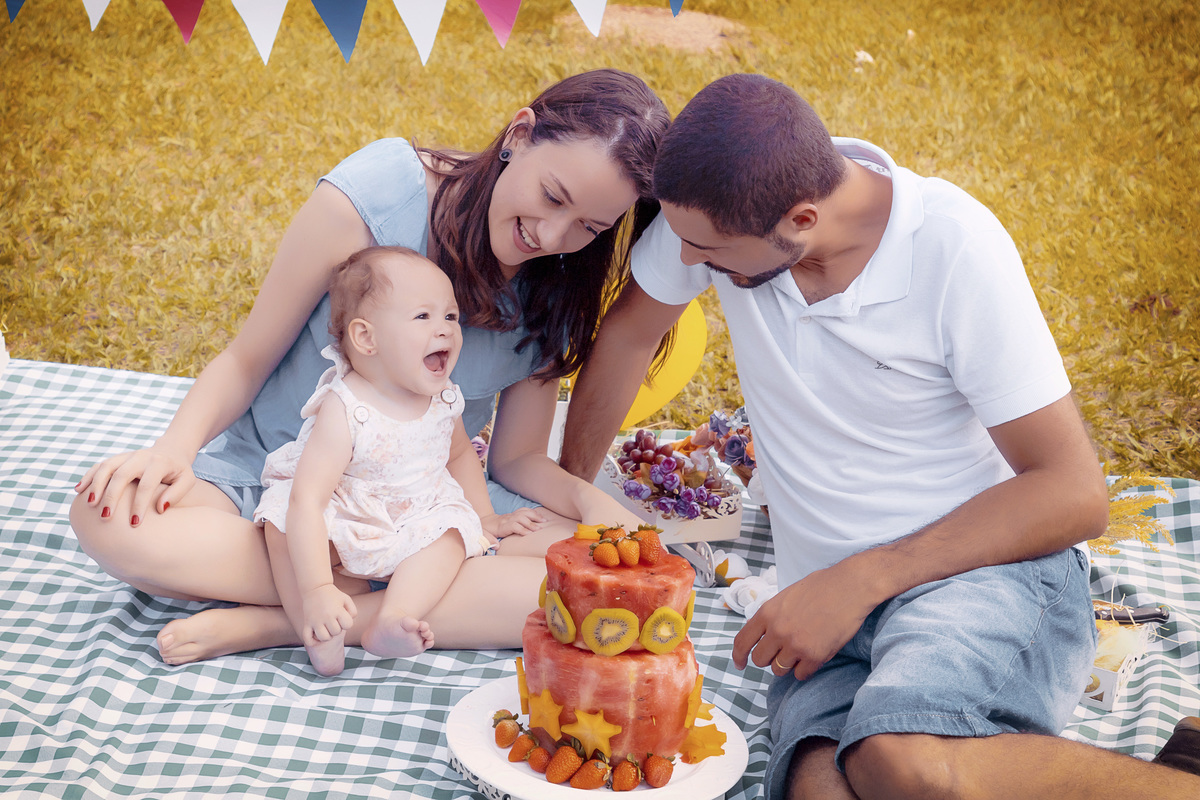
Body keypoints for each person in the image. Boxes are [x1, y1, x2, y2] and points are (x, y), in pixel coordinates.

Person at [560, 74, 1200, 799]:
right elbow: (629, 336)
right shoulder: (723, 213)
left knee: (899, 764)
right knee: (826, 790)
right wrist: (570, 501)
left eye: (706, 251)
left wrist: (859, 580)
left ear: (802, 221)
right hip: (825, 620)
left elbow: (1075, 492)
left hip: (980, 576)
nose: (684, 261)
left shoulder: (954, 246)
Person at [71, 69, 664, 665]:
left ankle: (287, 621)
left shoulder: (558, 289)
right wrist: (174, 450)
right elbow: (247, 359)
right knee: (106, 517)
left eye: (590, 227)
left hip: (420, 507)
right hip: (274, 486)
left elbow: (516, 459)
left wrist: (588, 503)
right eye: (553, 197)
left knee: (607, 585)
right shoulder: (382, 192)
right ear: (519, 134)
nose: (553, 234)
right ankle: (357, 593)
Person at [257, 246, 540, 676]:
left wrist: (484, 516)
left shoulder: (444, 398)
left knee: (451, 534)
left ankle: (395, 616)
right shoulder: (346, 407)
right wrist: (317, 586)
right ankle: (313, 620)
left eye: (450, 316)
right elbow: (309, 500)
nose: (445, 329)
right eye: (423, 316)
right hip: (346, 510)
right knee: (283, 521)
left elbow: (459, 453)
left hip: (416, 512)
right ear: (367, 338)